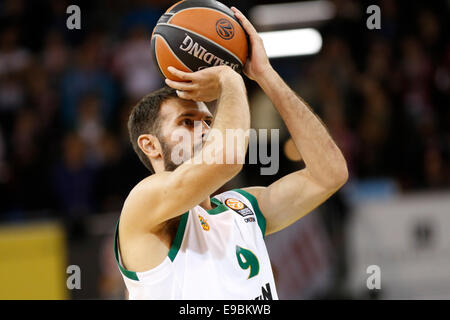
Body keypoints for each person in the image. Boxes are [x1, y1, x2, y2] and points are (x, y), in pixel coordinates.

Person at [114, 7, 348, 299]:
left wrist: (266, 76)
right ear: (150, 145)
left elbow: (330, 174)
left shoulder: (243, 209)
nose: (204, 131)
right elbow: (226, 160)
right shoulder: (144, 202)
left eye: (208, 122)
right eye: (187, 122)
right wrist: (231, 80)